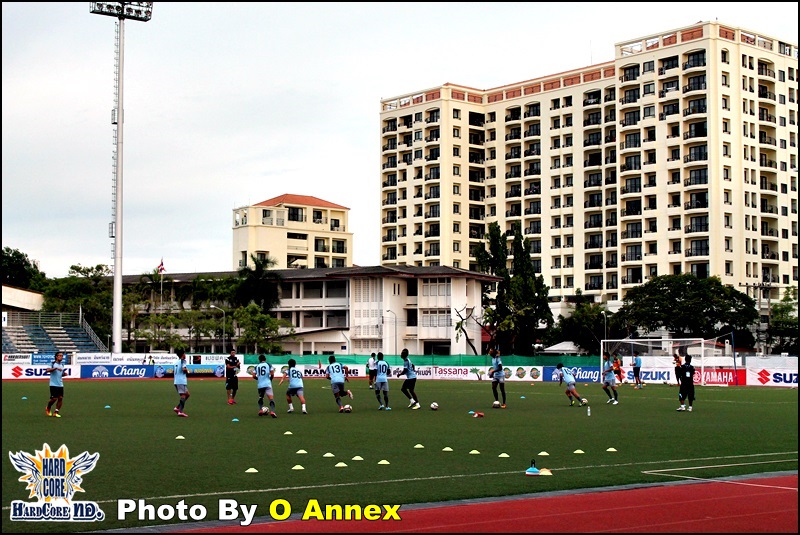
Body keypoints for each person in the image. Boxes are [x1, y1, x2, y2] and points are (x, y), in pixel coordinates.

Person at [45, 351, 65, 418]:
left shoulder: (62, 365)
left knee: (60, 398)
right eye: (60, 356)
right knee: (54, 398)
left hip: (60, 384)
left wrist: (64, 374)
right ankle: (48, 407)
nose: (61, 357)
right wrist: (55, 368)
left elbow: (60, 374)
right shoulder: (52, 363)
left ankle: (56, 412)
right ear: (56, 357)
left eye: (62, 356)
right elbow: (47, 370)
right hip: (53, 384)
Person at [172, 348, 190, 417]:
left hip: (176, 381)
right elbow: (183, 369)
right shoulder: (183, 361)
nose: (185, 355)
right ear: (183, 355)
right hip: (181, 381)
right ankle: (180, 411)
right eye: (184, 353)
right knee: (183, 395)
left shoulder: (176, 362)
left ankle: (177, 408)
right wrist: (187, 371)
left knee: (187, 394)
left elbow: (173, 371)